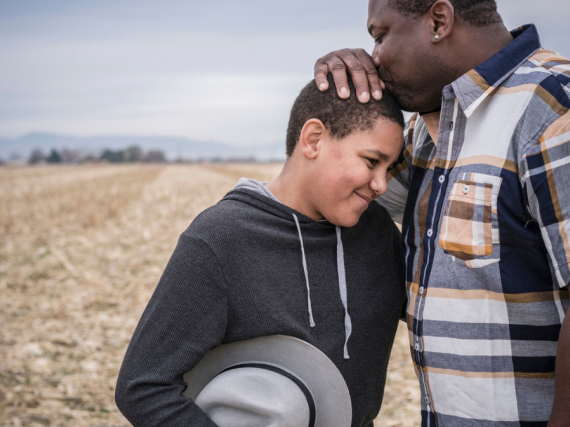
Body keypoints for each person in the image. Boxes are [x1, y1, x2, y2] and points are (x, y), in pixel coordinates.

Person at [313, 0, 570, 425]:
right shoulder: (425, 129)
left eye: (379, 37)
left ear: (438, 20)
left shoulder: (554, 108)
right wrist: (340, 97)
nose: (374, 56)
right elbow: (335, 196)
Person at [115, 75, 408, 427]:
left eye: (389, 168)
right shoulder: (221, 240)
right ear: (313, 139)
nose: (381, 184)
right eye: (371, 161)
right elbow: (143, 386)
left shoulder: (376, 233)